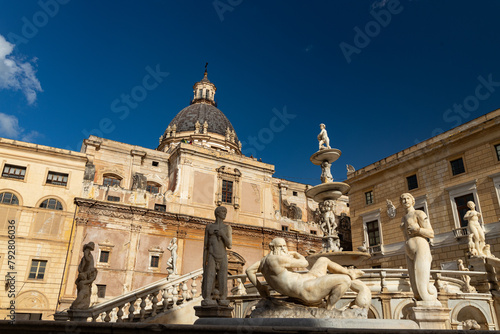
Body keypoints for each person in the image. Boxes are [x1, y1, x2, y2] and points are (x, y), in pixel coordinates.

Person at [246, 238, 370, 310]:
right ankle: (329, 310)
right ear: (276, 248)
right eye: (283, 246)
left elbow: (249, 271)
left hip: (307, 280)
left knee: (323, 260)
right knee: (345, 280)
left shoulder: (263, 262)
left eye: (285, 246)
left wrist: (260, 287)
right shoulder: (277, 259)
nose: (285, 249)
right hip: (307, 290)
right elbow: (304, 262)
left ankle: (350, 272)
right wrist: (295, 253)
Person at [400, 193, 439, 303]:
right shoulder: (403, 218)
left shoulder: (419, 213)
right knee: (415, 286)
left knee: (421, 282)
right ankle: (419, 303)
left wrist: (418, 230)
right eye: (403, 199)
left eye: (408, 198)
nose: (405, 201)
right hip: (409, 249)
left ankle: (429, 302)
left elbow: (431, 233)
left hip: (421, 247)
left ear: (412, 201)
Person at [201, 206, 232, 306]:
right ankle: (207, 297)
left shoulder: (227, 228)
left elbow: (229, 245)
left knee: (223, 277)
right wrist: (203, 261)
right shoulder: (209, 227)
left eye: (225, 212)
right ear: (217, 213)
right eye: (223, 211)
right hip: (211, 255)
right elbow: (205, 246)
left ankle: (223, 297)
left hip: (222, 255)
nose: (225, 213)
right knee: (209, 275)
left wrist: (222, 234)